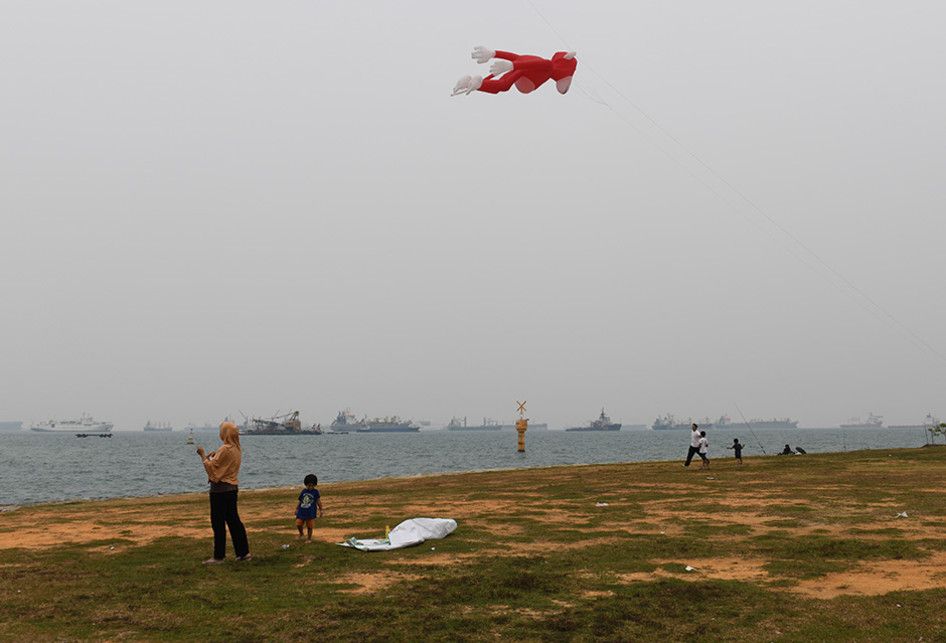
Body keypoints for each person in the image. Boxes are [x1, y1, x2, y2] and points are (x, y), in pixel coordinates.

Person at [196, 421, 251, 564]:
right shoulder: (237, 448)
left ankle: (219, 556)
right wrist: (215, 456)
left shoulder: (225, 449)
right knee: (234, 521)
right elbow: (224, 465)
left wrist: (203, 455)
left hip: (220, 491)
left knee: (218, 523)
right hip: (232, 489)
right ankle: (243, 553)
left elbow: (212, 470)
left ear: (225, 433)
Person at [295, 474, 323, 542]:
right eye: (308, 485)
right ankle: (301, 533)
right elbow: (300, 500)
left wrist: (321, 510)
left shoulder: (315, 492)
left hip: (310, 512)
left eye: (312, 485)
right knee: (298, 523)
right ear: (305, 484)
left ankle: (309, 538)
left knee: (309, 526)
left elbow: (318, 501)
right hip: (302, 511)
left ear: (315, 485)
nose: (310, 487)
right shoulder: (304, 491)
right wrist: (296, 508)